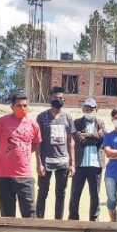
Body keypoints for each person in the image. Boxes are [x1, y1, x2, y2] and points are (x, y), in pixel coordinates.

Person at [0, 93, 41, 218]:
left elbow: (35, 145)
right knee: (7, 215)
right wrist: (2, 157)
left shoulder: (33, 125)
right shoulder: (1, 122)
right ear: (12, 107)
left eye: (25, 105)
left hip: (24, 175)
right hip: (3, 175)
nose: (22, 108)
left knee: (29, 214)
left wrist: (22, 155)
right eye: (19, 106)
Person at [35, 87, 75, 219]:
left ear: (64, 100)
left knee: (61, 194)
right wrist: (39, 163)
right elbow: (38, 142)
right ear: (50, 99)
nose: (58, 100)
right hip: (46, 163)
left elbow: (70, 141)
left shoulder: (67, 118)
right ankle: (39, 222)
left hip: (63, 163)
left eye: (61, 98)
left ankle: (59, 221)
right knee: (42, 193)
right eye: (55, 98)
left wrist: (72, 163)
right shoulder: (42, 117)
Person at [69, 99, 105, 221]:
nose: (88, 111)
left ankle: (94, 219)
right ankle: (73, 219)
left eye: (91, 109)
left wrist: (88, 135)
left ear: (96, 110)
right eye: (86, 109)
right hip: (80, 165)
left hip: (95, 165)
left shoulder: (100, 122)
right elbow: (79, 140)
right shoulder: (77, 122)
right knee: (75, 194)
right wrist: (95, 138)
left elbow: (103, 137)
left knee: (95, 195)